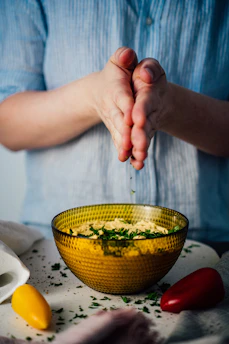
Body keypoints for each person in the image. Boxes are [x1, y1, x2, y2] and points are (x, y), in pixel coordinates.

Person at [0, 1, 228, 242]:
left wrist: (170, 106)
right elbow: (7, 127)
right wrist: (93, 96)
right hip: (56, 242)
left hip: (204, 243)